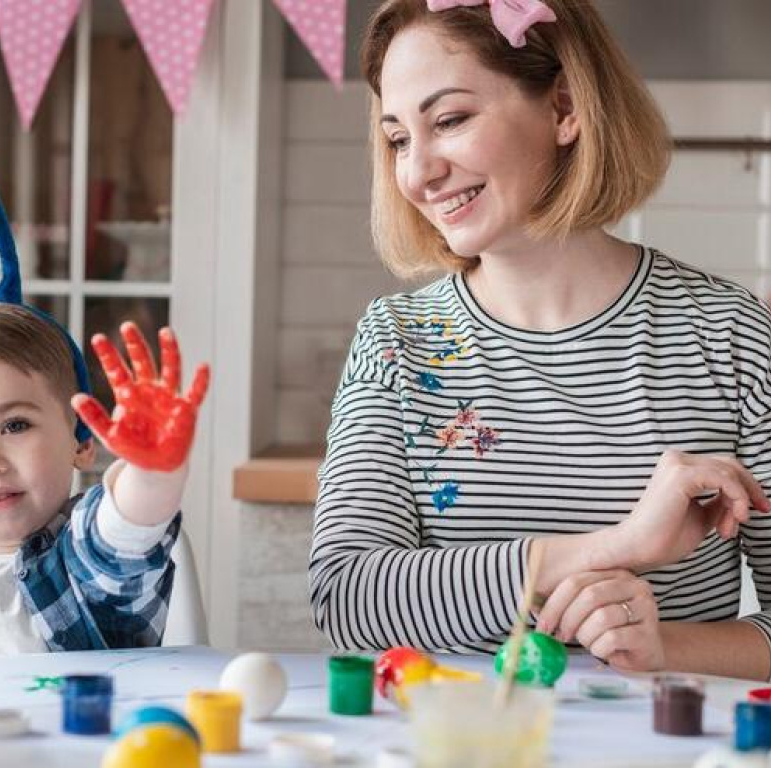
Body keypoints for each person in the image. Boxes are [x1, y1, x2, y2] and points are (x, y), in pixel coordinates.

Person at [309, 0, 771, 680]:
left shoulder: (730, 335)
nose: (417, 173)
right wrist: (616, 546)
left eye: (449, 120)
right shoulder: (395, 342)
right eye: (399, 138)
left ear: (563, 107)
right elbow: (345, 596)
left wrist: (664, 647)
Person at [0, 163, 209, 656]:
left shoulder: (82, 562)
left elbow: (127, 531)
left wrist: (151, 469)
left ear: (81, 441)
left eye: (15, 425)